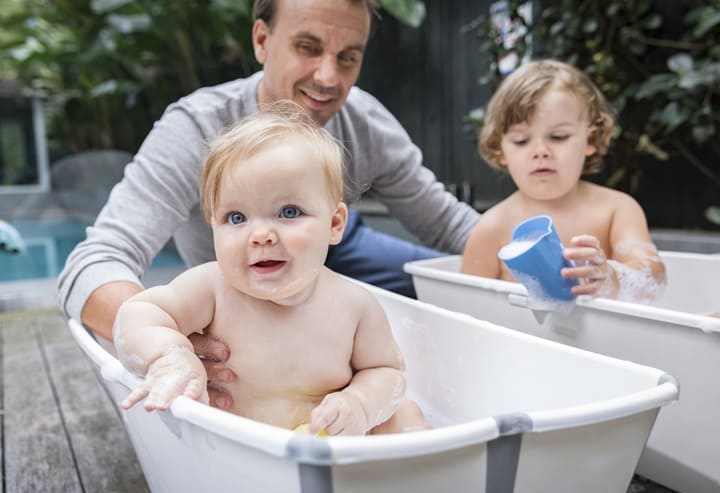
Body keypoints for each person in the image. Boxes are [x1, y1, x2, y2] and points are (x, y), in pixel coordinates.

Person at [57, 0, 479, 409]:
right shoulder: (196, 129)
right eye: (308, 48)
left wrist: (530, 254)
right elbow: (96, 260)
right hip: (237, 290)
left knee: (453, 288)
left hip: (340, 249)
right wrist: (170, 344)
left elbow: (450, 225)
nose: (329, 77)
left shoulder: (365, 122)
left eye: (348, 57)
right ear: (262, 40)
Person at [114, 103, 429, 435]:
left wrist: (360, 404)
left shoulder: (355, 307)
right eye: (236, 218)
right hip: (241, 452)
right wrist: (170, 355)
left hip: (328, 448)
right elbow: (138, 312)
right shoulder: (212, 288)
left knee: (407, 417)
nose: (261, 235)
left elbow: (388, 372)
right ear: (213, 227)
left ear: (334, 224)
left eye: (289, 212)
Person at [462, 59, 666, 302]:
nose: (540, 151)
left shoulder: (616, 210)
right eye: (521, 141)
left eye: (558, 137)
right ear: (500, 149)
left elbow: (654, 279)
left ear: (590, 139)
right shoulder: (492, 228)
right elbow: (467, 309)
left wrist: (611, 277)